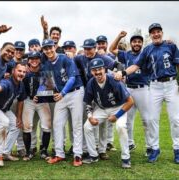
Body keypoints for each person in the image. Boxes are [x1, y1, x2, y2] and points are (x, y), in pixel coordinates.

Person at [114, 23, 179, 164]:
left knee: (175, 119)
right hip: (155, 86)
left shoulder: (171, 46)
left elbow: (177, 64)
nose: (156, 34)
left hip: (171, 84)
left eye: (158, 32)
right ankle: (154, 148)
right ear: (150, 35)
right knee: (151, 119)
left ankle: (177, 149)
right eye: (153, 32)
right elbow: (136, 65)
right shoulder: (147, 50)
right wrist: (124, 72)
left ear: (162, 32)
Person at [74, 38, 124, 160]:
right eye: (85, 48)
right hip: (88, 92)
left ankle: (102, 149)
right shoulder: (80, 58)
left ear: (95, 48)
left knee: (103, 124)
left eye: (89, 48)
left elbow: (118, 64)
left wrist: (120, 72)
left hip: (102, 92)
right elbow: (69, 59)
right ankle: (88, 149)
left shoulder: (103, 57)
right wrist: (66, 53)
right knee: (88, 120)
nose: (87, 51)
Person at [83, 58, 134, 168]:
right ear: (91, 72)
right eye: (94, 70)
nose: (97, 72)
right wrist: (90, 116)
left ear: (105, 69)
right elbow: (87, 102)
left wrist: (117, 116)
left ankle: (126, 158)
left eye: (100, 69)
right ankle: (93, 155)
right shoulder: (91, 83)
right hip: (102, 108)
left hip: (118, 107)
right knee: (87, 126)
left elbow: (130, 101)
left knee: (120, 127)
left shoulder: (114, 80)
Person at [41, 39, 84, 167]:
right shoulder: (47, 65)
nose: (48, 50)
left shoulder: (65, 59)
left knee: (76, 124)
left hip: (75, 92)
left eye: (50, 47)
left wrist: (62, 93)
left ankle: (77, 155)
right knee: (57, 123)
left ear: (54, 47)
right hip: (61, 94)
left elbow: (72, 78)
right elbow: (48, 84)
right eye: (46, 48)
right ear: (43, 50)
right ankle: (59, 154)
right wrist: (42, 96)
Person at [109, 31, 151, 153]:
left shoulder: (145, 54)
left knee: (146, 119)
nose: (136, 43)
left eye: (139, 41)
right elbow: (111, 49)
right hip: (129, 88)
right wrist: (119, 36)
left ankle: (149, 146)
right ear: (131, 43)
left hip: (143, 89)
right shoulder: (126, 54)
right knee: (128, 119)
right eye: (134, 41)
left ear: (142, 43)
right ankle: (130, 143)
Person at [0, 62, 27, 167]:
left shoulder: (21, 85)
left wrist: (19, 117)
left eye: (24, 72)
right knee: (4, 122)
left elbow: (21, 100)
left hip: (2, 108)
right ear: (13, 71)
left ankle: (5, 153)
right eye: (19, 71)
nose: (22, 73)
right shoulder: (7, 82)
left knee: (16, 125)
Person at [20, 51, 52, 161]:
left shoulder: (45, 72)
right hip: (28, 101)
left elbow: (49, 88)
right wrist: (31, 95)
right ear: (28, 60)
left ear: (40, 59)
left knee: (47, 126)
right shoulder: (25, 73)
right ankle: (28, 152)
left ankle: (44, 151)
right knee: (27, 126)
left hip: (42, 101)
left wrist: (41, 96)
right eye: (32, 58)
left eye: (36, 58)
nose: (34, 60)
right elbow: (22, 90)